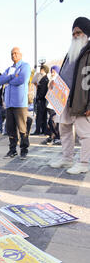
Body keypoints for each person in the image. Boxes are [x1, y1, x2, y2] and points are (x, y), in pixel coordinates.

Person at [50, 17, 90, 174]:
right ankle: (67, 159)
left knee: (85, 133)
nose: (75, 36)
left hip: (81, 99)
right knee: (64, 129)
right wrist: (55, 84)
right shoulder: (71, 52)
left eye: (78, 32)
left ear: (86, 33)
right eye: (73, 33)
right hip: (64, 98)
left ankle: (84, 163)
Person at [0, 47, 31, 159]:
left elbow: (21, 80)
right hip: (9, 103)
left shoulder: (25, 66)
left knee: (22, 128)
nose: (14, 55)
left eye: (16, 53)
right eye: (12, 54)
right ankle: (12, 150)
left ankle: (24, 149)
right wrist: (11, 77)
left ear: (21, 54)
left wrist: (8, 80)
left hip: (20, 103)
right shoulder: (9, 69)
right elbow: (0, 80)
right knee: (10, 128)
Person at [41, 66, 61, 145]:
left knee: (53, 121)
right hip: (50, 104)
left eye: (54, 72)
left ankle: (57, 137)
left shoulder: (58, 80)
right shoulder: (51, 79)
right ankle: (52, 136)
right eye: (51, 71)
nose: (52, 73)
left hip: (55, 104)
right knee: (50, 122)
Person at [32, 64, 49, 135]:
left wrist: (39, 97)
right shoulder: (44, 78)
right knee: (43, 116)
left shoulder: (44, 79)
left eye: (41, 69)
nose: (40, 71)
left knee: (39, 116)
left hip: (41, 100)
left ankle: (38, 130)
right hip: (43, 100)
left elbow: (43, 91)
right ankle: (44, 130)